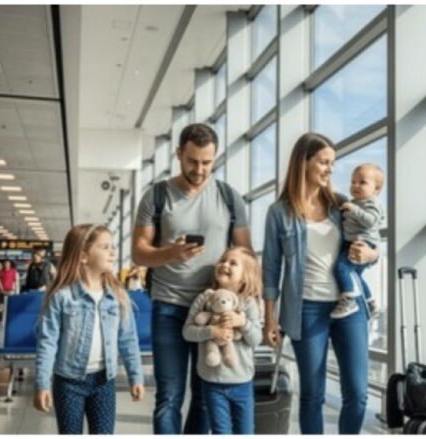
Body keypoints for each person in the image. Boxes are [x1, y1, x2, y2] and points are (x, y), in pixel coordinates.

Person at [131, 123, 252, 434]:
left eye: (207, 162)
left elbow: (246, 254)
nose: (200, 169)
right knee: (169, 396)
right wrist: (171, 253)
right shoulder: (157, 196)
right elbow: (139, 253)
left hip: (214, 309)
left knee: (204, 398)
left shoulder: (229, 197)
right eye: (192, 161)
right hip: (169, 306)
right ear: (178, 154)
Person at [261, 132, 379, 434]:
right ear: (304, 162)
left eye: (332, 163)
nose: (329, 169)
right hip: (305, 309)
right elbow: (271, 268)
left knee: (357, 393)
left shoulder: (340, 204)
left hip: (349, 307)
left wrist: (371, 253)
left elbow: (371, 242)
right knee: (312, 395)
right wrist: (269, 317)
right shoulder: (279, 212)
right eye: (324, 162)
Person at [34, 224, 144, 434]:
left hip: (104, 381)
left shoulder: (117, 296)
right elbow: (47, 343)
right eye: (105, 247)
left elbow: (128, 340)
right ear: (83, 256)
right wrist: (42, 384)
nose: (113, 252)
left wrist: (135, 376)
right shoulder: (62, 298)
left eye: (113, 247)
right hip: (68, 382)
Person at [182, 247, 263, 434]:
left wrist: (242, 322)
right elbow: (187, 332)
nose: (225, 265)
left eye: (233, 263)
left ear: (245, 277)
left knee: (245, 432)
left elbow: (255, 339)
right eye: (223, 260)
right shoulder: (205, 299)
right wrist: (211, 331)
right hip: (212, 382)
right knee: (220, 431)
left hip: (242, 382)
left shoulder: (248, 304)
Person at [331, 163, 385, 319]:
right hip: (353, 242)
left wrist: (353, 210)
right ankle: (370, 302)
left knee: (341, 268)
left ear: (376, 189)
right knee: (355, 275)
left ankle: (348, 300)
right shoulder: (355, 203)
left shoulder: (371, 203)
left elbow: (371, 221)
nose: (355, 185)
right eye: (353, 182)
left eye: (362, 182)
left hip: (363, 243)